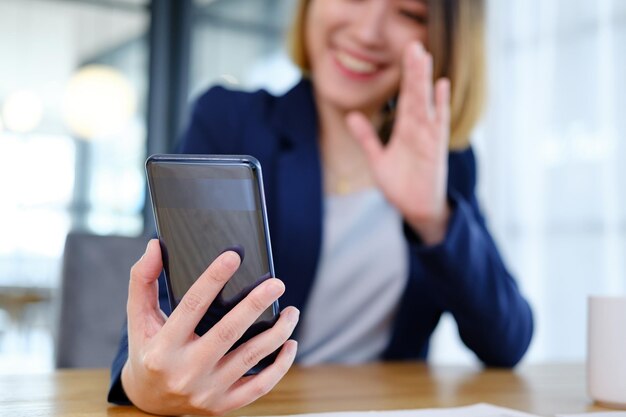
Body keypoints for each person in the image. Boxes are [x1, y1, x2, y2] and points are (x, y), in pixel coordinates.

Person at [108, 0, 534, 414]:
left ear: (446, 40)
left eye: (410, 13)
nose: (368, 32)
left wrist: (432, 217)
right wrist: (141, 385)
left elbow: (506, 340)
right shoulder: (231, 120)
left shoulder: (447, 160)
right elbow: (162, 319)